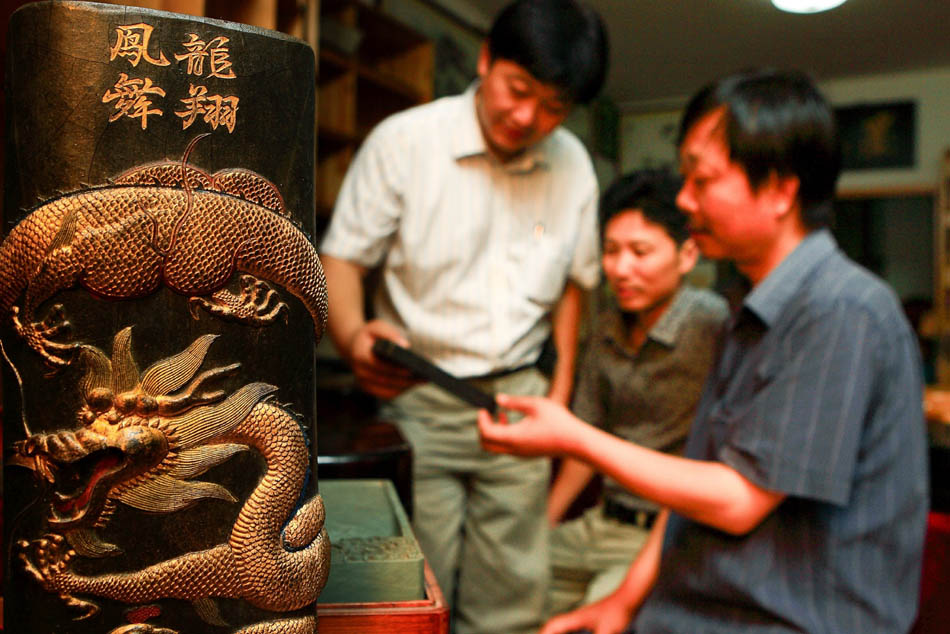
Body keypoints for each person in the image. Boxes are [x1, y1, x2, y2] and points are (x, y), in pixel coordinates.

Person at [478, 68, 929, 634]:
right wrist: (621, 604)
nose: (686, 200)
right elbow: (699, 476)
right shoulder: (749, 312)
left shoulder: (841, 310)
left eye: (702, 179)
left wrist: (572, 437)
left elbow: (737, 499)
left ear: (780, 190)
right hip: (693, 608)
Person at [318, 1, 608, 632]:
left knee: (512, 595)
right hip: (420, 397)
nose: (528, 117)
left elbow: (572, 290)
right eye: (518, 90)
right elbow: (341, 259)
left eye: (554, 107)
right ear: (485, 60)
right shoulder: (405, 141)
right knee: (411, 586)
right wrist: (352, 336)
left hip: (520, 399)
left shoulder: (574, 165)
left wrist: (557, 396)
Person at [545, 169, 728, 618]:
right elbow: (584, 434)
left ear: (687, 255)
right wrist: (545, 522)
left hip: (663, 533)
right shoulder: (607, 323)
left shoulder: (712, 326)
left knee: (596, 619)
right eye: (610, 251)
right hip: (600, 520)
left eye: (640, 252)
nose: (620, 268)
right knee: (508, 583)